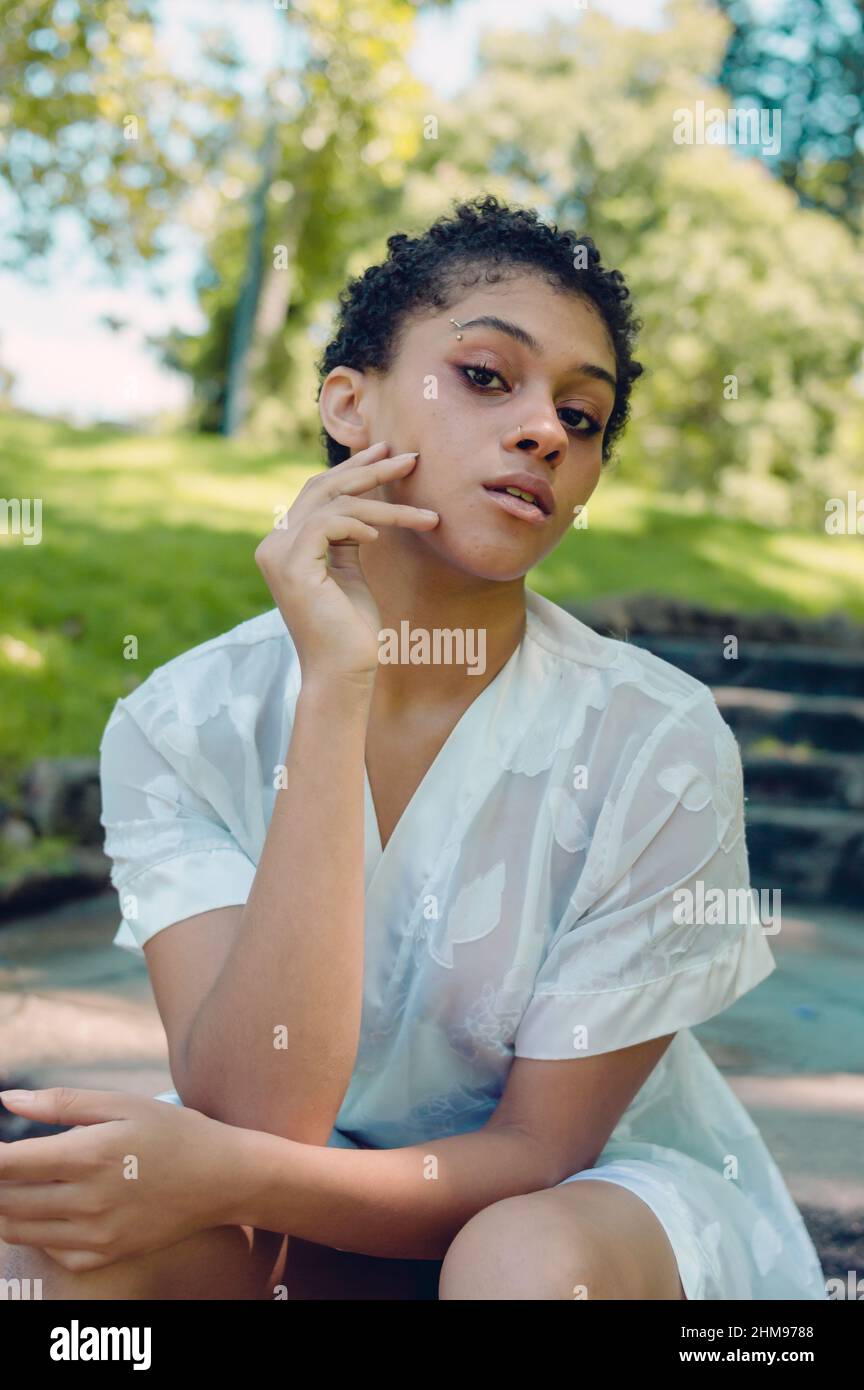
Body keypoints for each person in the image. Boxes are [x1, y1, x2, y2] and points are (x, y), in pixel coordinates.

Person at [1, 195, 827, 1301]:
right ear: (349, 402)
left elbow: (540, 1152)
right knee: (66, 1262)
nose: (545, 429)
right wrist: (336, 687)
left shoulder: (656, 741)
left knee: (519, 1262)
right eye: (489, 376)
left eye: (584, 417)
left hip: (580, 1209)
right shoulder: (181, 720)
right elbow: (264, 1113)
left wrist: (221, 1174)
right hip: (299, 1169)